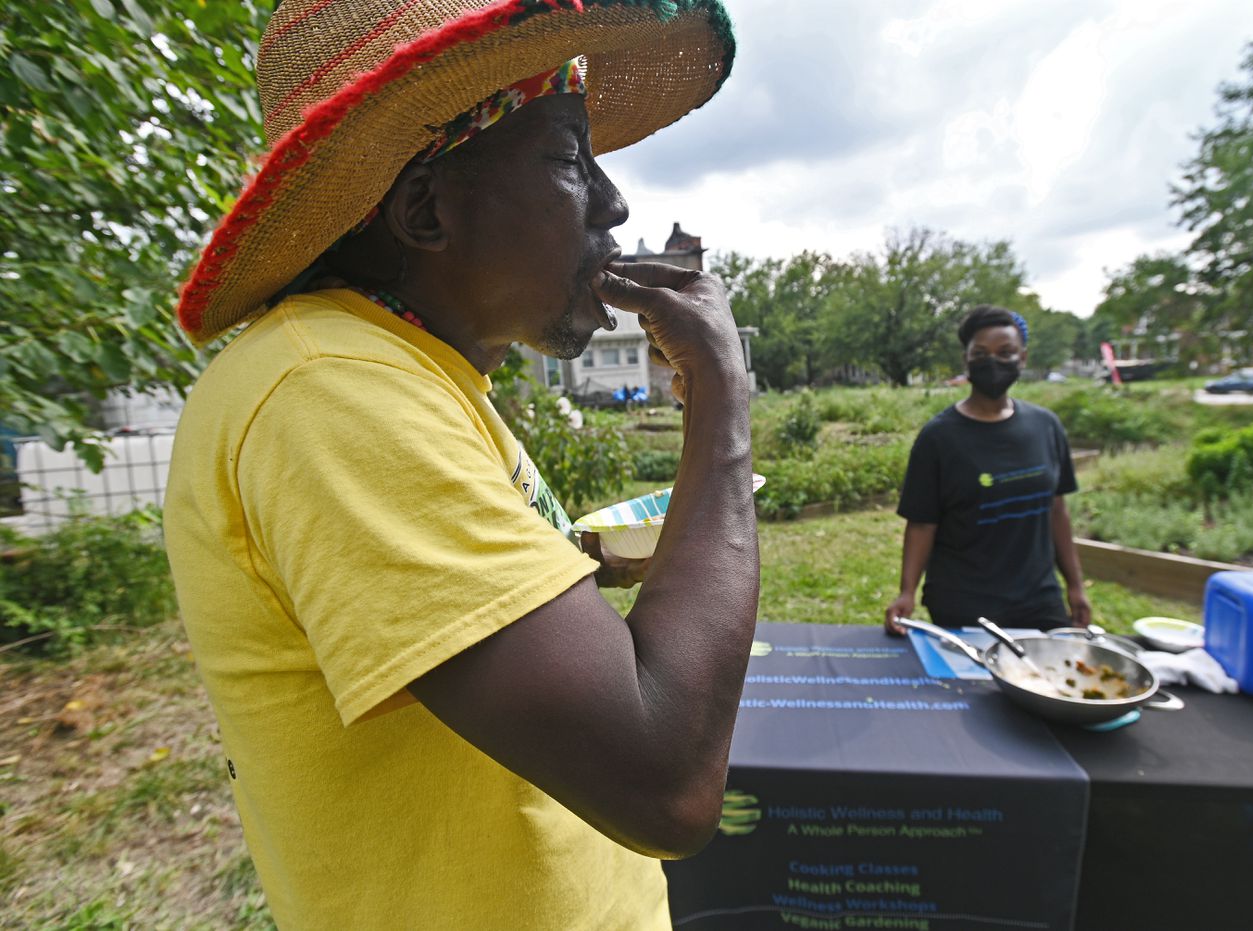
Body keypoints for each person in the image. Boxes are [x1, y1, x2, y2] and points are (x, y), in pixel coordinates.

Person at [162, 2, 755, 928]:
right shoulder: (332, 396)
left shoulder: (406, 374)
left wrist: (572, 567)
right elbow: (666, 778)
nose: (614, 202)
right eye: (568, 158)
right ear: (426, 209)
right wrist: (722, 399)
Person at [884, 305, 1092, 636]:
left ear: (1022, 358)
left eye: (1005, 352)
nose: (993, 362)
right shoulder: (939, 437)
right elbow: (922, 523)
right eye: (980, 353)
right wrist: (907, 591)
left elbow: (1057, 511)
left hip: (1039, 599)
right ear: (966, 360)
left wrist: (1076, 585)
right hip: (964, 602)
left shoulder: (1046, 427)